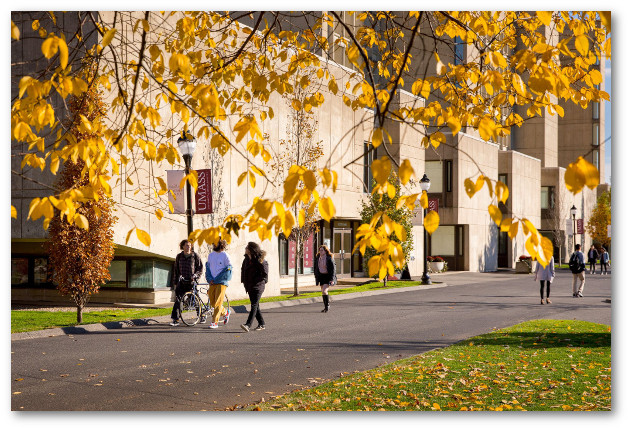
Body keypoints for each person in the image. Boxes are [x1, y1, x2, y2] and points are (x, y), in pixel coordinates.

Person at [170, 239, 203, 326]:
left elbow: (200, 268)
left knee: (195, 299)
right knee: (178, 300)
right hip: (182, 282)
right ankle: (175, 319)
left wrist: (195, 276)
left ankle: (201, 315)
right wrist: (175, 282)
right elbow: (176, 270)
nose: (188, 247)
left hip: (191, 281)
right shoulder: (179, 256)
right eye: (186, 245)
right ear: (183, 246)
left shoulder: (195, 256)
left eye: (189, 245)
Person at [240, 242, 269, 332]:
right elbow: (243, 270)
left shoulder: (260, 260)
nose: (245, 248)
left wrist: (256, 280)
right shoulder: (246, 259)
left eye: (247, 247)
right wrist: (244, 281)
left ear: (251, 249)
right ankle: (262, 323)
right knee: (256, 306)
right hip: (249, 286)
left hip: (258, 286)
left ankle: (248, 325)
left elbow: (265, 274)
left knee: (254, 305)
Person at [205, 239, 233, 329]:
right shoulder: (210, 255)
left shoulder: (225, 255)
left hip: (221, 283)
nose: (214, 244)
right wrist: (209, 279)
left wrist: (219, 278)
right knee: (213, 303)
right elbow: (208, 268)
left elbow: (229, 269)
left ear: (221, 244)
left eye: (216, 242)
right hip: (212, 282)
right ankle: (225, 312)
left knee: (217, 303)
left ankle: (214, 322)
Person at [314, 245, 336, 313]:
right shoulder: (318, 257)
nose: (320, 251)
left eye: (322, 250)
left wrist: (332, 279)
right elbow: (316, 267)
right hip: (321, 276)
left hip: (327, 276)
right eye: (320, 250)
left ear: (325, 251)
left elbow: (333, 269)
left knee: (324, 291)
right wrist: (316, 275)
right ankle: (326, 306)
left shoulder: (329, 258)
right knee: (323, 292)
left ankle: (327, 305)